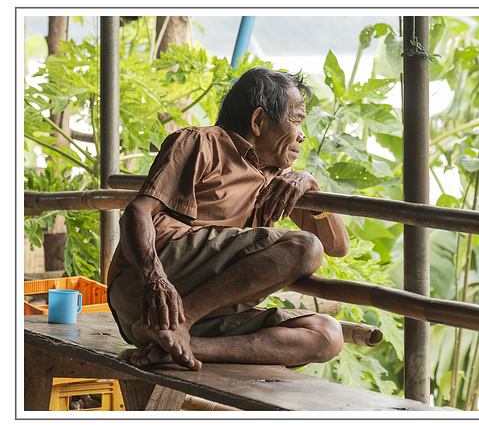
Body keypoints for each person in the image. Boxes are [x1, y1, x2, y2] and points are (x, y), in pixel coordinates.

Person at [107, 67, 350, 371]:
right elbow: (137, 212)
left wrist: (309, 183)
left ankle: (182, 346)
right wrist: (154, 280)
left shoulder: (279, 179)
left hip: (181, 315)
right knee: (306, 248)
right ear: (258, 121)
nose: (303, 135)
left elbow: (337, 247)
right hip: (149, 285)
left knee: (327, 335)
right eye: (297, 119)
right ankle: (180, 324)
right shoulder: (201, 142)